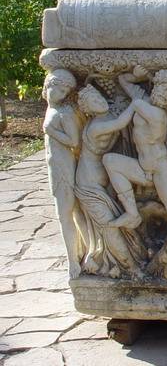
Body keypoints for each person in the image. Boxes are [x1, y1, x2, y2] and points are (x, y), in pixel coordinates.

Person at [102, 67, 167, 237]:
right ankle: (132, 213)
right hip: (142, 167)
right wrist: (137, 75)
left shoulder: (158, 115)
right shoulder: (144, 102)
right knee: (110, 161)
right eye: (165, 89)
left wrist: (144, 88)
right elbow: (123, 80)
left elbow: (137, 104)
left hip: (161, 170)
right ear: (156, 86)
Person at [74, 85, 145, 278]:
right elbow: (121, 123)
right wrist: (136, 102)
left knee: (120, 223)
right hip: (89, 186)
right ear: (88, 110)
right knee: (110, 228)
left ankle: (136, 258)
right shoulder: (96, 127)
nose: (100, 101)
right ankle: (132, 268)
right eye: (94, 102)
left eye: (99, 96)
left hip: (107, 182)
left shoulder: (109, 113)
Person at [42, 70, 86, 278]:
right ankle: (81, 253)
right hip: (55, 165)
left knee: (66, 214)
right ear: (48, 85)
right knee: (70, 212)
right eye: (58, 89)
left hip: (64, 167)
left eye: (64, 92)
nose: (60, 94)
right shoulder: (52, 109)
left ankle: (73, 261)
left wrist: (51, 131)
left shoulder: (65, 112)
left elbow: (74, 141)